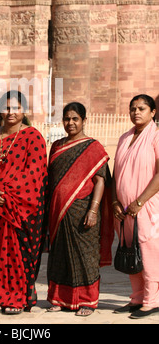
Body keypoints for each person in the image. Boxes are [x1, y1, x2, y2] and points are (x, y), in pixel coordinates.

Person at [0, 90, 48, 314]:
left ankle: (17, 298)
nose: (10, 112)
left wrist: (7, 195)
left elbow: (34, 174)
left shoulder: (33, 137)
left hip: (21, 207)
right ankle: (0, 296)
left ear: (24, 111)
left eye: (16, 108)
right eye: (6, 108)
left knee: (18, 252)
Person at [47, 102, 114, 317]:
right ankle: (60, 299)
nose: (70, 123)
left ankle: (87, 301)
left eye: (75, 119)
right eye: (67, 119)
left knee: (85, 256)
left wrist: (93, 210)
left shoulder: (93, 147)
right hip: (58, 212)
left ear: (84, 120)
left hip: (83, 211)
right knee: (60, 256)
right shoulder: (56, 146)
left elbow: (101, 180)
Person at [112, 94, 159, 319]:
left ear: (153, 112)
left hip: (147, 207)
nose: (136, 112)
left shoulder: (156, 137)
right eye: (132, 108)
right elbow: (116, 173)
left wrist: (139, 201)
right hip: (124, 210)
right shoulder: (124, 138)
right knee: (130, 251)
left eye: (141, 108)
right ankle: (137, 297)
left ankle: (152, 300)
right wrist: (114, 201)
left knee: (149, 254)